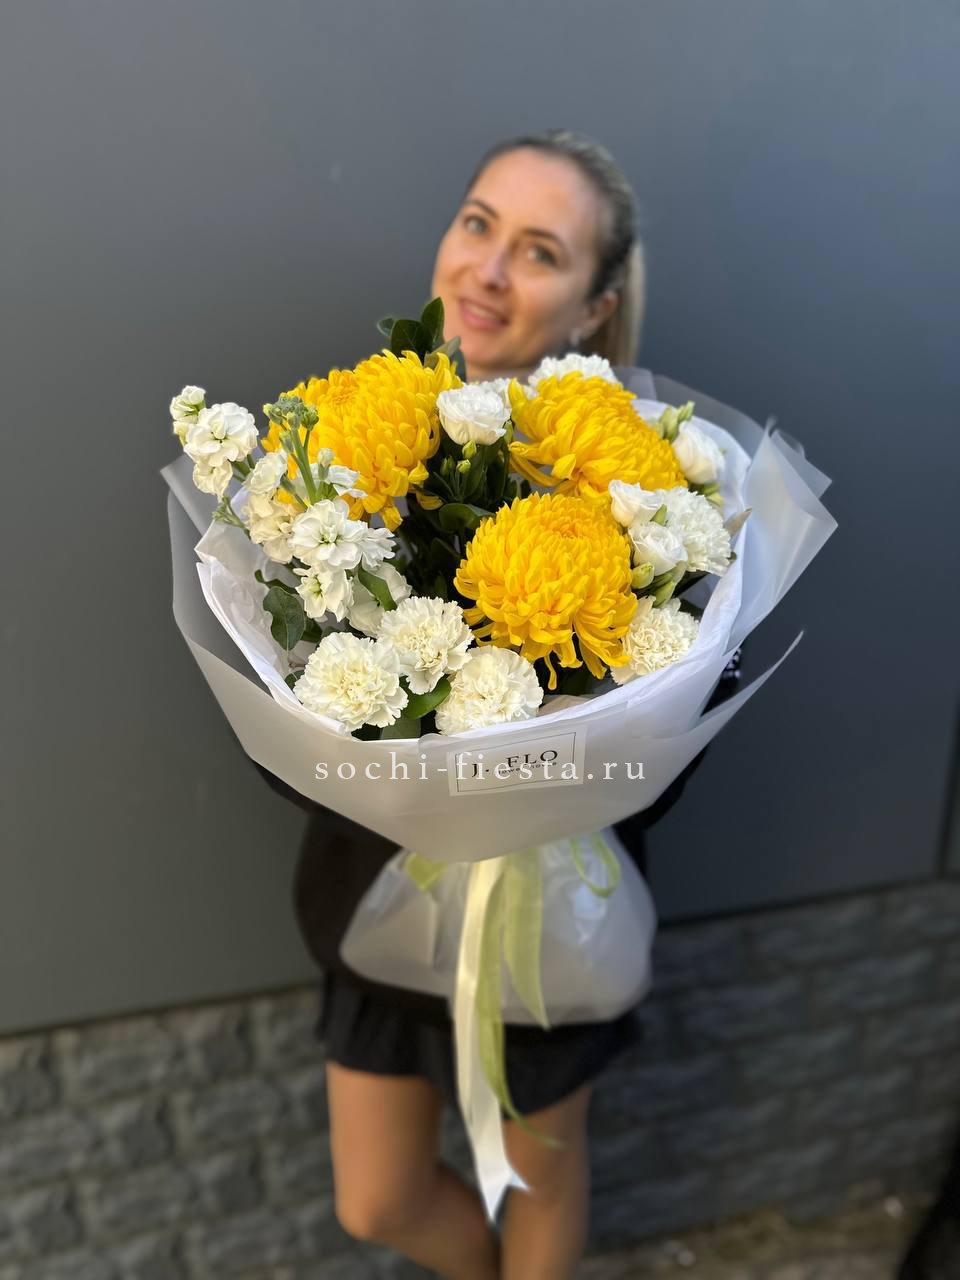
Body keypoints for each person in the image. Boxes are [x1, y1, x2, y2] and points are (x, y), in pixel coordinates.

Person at [259, 130, 739, 1279]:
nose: (487, 268)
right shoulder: (343, 450)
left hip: (550, 925)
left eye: (539, 250)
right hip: (378, 902)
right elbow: (283, 701)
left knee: (539, 1177)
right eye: (478, 223)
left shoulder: (649, 487)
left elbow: (670, 753)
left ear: (594, 307)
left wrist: (544, 777)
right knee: (376, 1198)